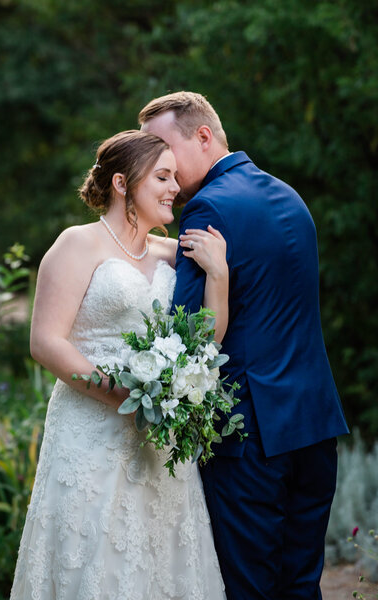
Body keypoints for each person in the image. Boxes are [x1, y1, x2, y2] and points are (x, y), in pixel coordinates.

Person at [139, 91, 350, 600]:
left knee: (248, 587)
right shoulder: (289, 196)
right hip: (315, 423)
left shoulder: (209, 206)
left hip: (251, 435)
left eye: (162, 147)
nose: (158, 164)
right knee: (302, 584)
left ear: (204, 136)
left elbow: (188, 334)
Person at [10, 130, 230, 600]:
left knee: (161, 563)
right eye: (162, 177)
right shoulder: (78, 244)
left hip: (160, 440)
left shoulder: (173, 252)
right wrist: (122, 395)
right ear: (122, 183)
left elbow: (205, 342)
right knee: (93, 559)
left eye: (175, 177)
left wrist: (219, 276)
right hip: (91, 429)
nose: (176, 187)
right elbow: (45, 341)